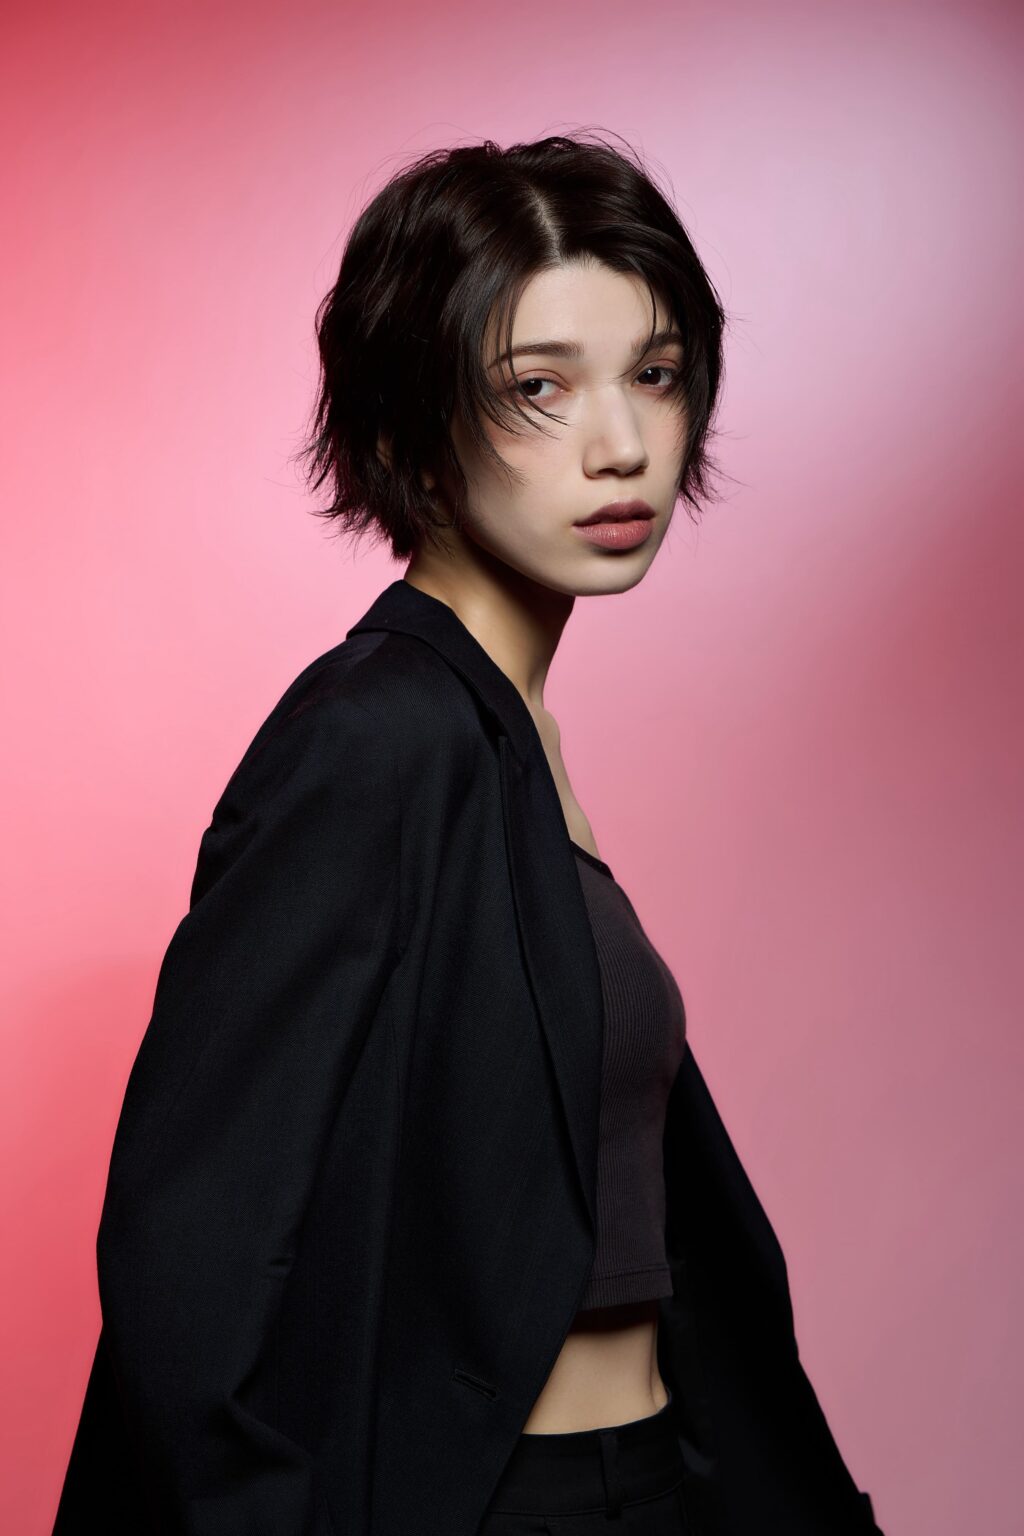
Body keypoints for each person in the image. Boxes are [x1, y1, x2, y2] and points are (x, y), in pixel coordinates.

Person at [53, 131, 884, 1535]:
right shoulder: (376, 739)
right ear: (406, 435)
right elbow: (189, 1246)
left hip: (658, 1476)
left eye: (654, 373)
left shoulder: (508, 734)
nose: (623, 444)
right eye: (538, 389)